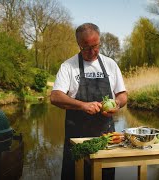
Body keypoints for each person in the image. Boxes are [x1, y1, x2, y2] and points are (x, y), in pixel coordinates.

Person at [50, 22, 127, 180]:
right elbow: (55, 96)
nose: (93, 51)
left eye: (96, 46)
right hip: (77, 139)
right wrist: (82, 105)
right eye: (87, 48)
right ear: (79, 45)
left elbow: (122, 95)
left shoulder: (110, 64)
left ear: (100, 41)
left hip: (106, 138)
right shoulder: (68, 67)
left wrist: (116, 104)